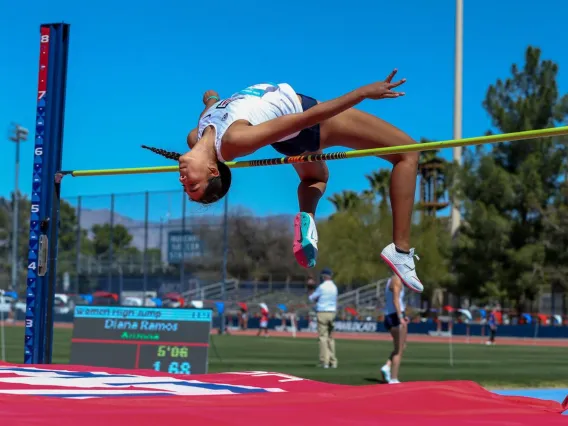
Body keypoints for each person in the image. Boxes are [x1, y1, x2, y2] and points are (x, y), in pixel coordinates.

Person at [143, 70, 422, 293]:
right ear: (213, 172)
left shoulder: (196, 136)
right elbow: (307, 118)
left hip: (288, 139)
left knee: (317, 177)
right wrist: (362, 93)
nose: (182, 180)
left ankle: (307, 219)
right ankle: (400, 250)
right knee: (408, 153)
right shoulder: (235, 141)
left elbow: (213, 107)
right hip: (308, 123)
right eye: (192, 185)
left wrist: (210, 97)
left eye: (185, 186)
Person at [380, 274, 408, 384]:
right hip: (394, 316)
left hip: (392, 314)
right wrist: (400, 317)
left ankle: (387, 366)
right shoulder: (396, 279)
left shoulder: (392, 279)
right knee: (398, 350)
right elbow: (395, 300)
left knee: (401, 346)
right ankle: (394, 378)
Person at [308, 268, 338, 368]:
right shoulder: (334, 287)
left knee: (323, 338)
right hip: (332, 312)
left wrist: (310, 287)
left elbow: (312, 298)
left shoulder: (322, 287)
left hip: (322, 312)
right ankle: (333, 361)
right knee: (330, 337)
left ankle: (324, 361)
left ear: (324, 276)